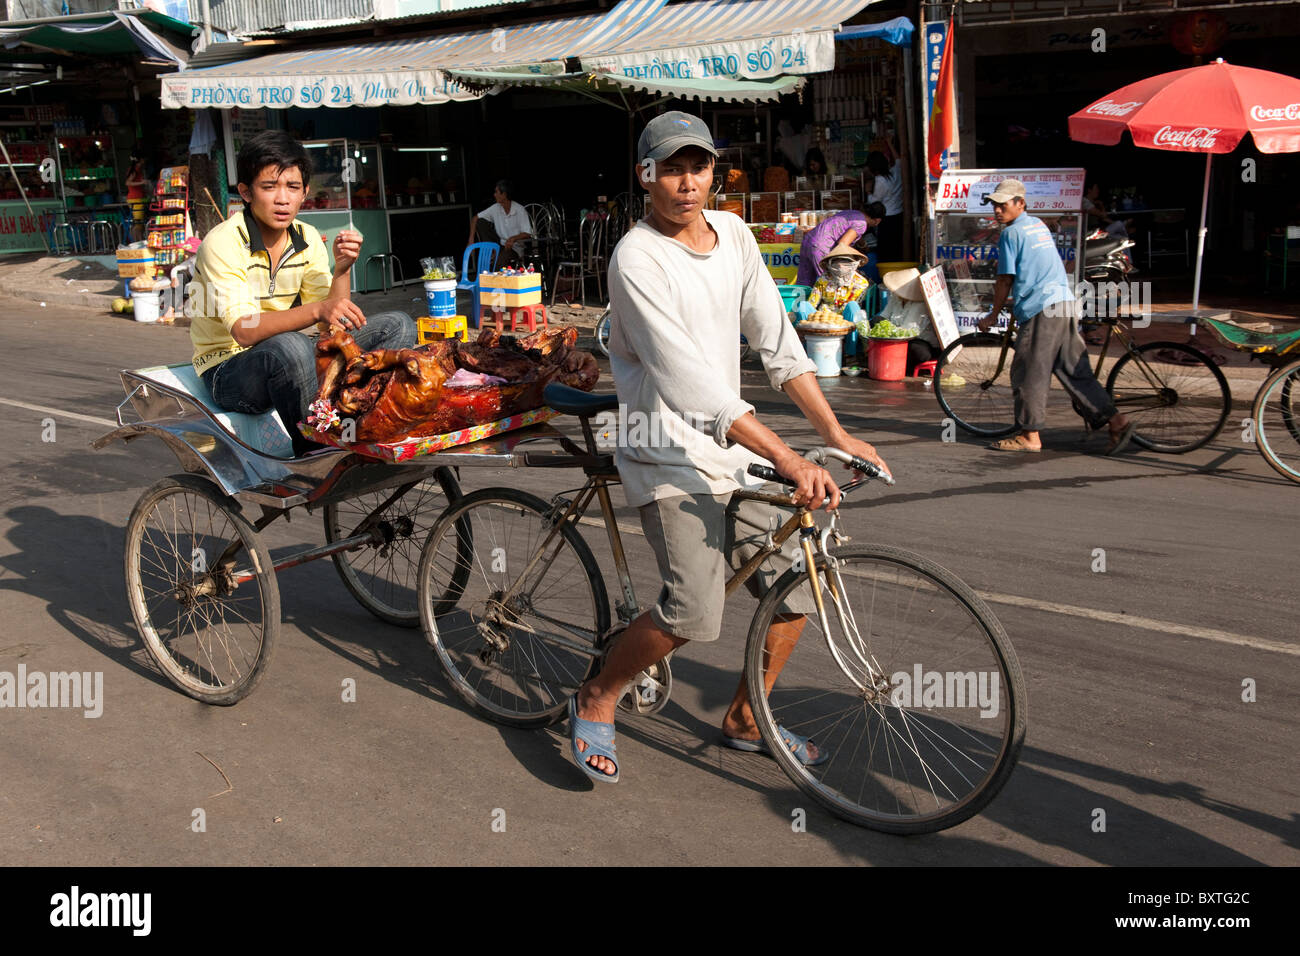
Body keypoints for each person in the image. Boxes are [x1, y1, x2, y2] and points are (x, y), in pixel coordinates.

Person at [567, 110, 891, 782]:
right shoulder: (636, 258)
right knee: (694, 609)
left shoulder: (737, 235)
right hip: (662, 449)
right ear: (646, 175)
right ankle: (598, 694)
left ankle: (748, 716)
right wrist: (788, 455)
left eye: (700, 166)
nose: (689, 182)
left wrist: (832, 432)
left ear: (716, 170)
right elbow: (687, 383)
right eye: (674, 167)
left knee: (803, 584)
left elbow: (778, 343)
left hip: (729, 450)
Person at [190, 130, 415, 458]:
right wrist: (316, 312)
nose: (283, 199)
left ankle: (368, 421)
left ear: (305, 192)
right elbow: (243, 329)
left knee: (398, 324)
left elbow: (329, 329)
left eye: (292, 187)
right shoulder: (222, 243)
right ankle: (316, 450)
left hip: (287, 355)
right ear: (246, 192)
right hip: (227, 369)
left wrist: (342, 269)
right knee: (291, 344)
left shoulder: (307, 237)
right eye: (269, 187)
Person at [976, 178, 1134, 454]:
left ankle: (1029, 436)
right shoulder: (1038, 225)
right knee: (1076, 372)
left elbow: (1004, 279)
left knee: (1028, 374)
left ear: (1020, 203)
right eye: (994, 205)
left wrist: (993, 313)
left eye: (1003, 205)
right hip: (1063, 304)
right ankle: (1117, 420)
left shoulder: (1011, 234)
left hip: (1042, 311)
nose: (997, 210)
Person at [794, 203, 885, 287]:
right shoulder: (861, 224)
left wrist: (862, 244)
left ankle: (800, 303)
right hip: (821, 246)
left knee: (804, 280)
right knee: (829, 282)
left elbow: (847, 230)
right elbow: (842, 244)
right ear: (877, 221)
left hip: (808, 240)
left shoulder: (854, 213)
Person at [793, 240, 870, 327]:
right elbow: (812, 303)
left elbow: (854, 308)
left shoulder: (861, 283)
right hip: (823, 319)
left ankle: (851, 340)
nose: (840, 266)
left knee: (853, 306)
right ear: (830, 264)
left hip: (846, 319)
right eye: (836, 262)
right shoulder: (823, 280)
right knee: (803, 305)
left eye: (845, 262)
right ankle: (806, 336)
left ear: (853, 263)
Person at [468, 179, 532, 265]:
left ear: (504, 194)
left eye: (496, 192)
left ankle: (496, 260)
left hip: (514, 249)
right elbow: (475, 218)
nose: (494, 195)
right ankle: (492, 249)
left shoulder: (519, 210)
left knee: (498, 263)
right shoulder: (495, 208)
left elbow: (527, 233)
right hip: (500, 245)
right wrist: (471, 239)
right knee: (480, 222)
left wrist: (513, 238)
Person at [866, 146, 904, 260]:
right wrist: (890, 144)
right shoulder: (895, 172)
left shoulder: (880, 180)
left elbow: (874, 201)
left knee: (886, 250)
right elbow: (899, 161)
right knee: (896, 248)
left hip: (887, 218)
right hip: (899, 215)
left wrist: (868, 191)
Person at [125, 157, 148, 242]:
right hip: (135, 199)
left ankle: (139, 240)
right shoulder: (134, 170)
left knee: (139, 222)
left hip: (138, 198)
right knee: (138, 223)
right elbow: (128, 182)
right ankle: (137, 242)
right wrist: (142, 182)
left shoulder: (138, 170)